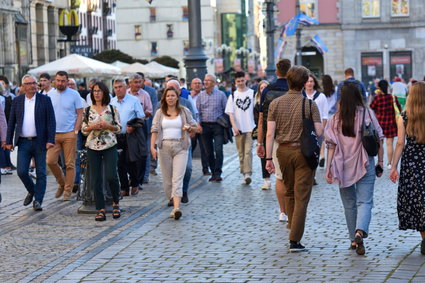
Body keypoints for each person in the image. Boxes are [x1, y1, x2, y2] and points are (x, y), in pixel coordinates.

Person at [265, 66, 323, 252]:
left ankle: (292, 225)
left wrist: (268, 158)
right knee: (302, 197)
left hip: (282, 151)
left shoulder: (275, 104)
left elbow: (269, 134)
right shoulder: (309, 104)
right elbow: (320, 131)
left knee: (289, 191)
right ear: (304, 82)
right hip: (303, 153)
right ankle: (294, 240)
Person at [325, 82, 384, 255]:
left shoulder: (335, 119)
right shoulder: (367, 113)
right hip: (365, 162)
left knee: (349, 204)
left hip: (342, 165)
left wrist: (328, 167)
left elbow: (330, 146)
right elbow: (379, 138)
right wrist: (381, 161)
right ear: (359, 95)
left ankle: (354, 240)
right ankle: (360, 231)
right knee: (365, 201)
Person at [5, 74, 56, 211]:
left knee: (41, 172)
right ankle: (32, 190)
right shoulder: (17, 101)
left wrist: (51, 140)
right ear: (23, 87)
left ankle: (38, 200)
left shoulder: (45, 100)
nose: (33, 85)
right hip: (23, 142)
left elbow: (51, 122)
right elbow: (11, 123)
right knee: (21, 171)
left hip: (40, 141)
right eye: (29, 83)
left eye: (34, 83)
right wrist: (8, 141)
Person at [151, 87, 197, 220]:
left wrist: (189, 128)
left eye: (173, 95)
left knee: (177, 178)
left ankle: (177, 208)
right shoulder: (160, 112)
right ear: (164, 98)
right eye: (168, 96)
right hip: (164, 146)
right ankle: (172, 199)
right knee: (167, 181)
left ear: (177, 97)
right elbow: (154, 129)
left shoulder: (184, 111)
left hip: (181, 146)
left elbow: (196, 127)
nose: (170, 98)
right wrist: (152, 147)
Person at [389, 81, 425, 255]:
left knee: (417, 200)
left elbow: (400, 143)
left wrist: (393, 166)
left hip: (412, 164)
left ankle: (424, 238)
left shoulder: (403, 117)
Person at [81, 81, 122, 221]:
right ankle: (101, 208)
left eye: (99, 90)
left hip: (109, 144)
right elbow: (83, 129)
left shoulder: (112, 108)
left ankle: (116, 203)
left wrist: (107, 126)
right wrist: (92, 126)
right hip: (92, 146)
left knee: (111, 175)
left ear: (104, 92)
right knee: (96, 179)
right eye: (94, 91)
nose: (97, 93)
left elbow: (119, 128)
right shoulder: (87, 110)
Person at [257, 58, 291, 222]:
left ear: (276, 72)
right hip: (294, 138)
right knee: (293, 177)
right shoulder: (296, 89)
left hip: (276, 138)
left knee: (279, 177)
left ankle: (283, 211)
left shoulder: (267, 91)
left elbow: (262, 119)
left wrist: (260, 143)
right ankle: (293, 209)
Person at [46, 71, 83, 201]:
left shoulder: (74, 94)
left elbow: (80, 113)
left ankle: (67, 191)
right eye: (58, 80)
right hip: (53, 134)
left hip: (69, 134)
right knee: (50, 161)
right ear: (54, 81)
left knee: (70, 164)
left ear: (67, 81)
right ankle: (62, 183)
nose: (60, 83)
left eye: (63, 81)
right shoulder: (49, 95)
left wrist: (76, 131)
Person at [110, 79, 145, 197]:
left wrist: (133, 127)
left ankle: (134, 183)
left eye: (120, 87)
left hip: (130, 136)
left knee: (131, 162)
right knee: (119, 163)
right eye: (116, 87)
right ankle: (124, 187)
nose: (118, 89)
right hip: (116, 136)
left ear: (126, 87)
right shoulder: (111, 102)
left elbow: (141, 118)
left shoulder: (134, 100)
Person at [225, 72, 256, 184]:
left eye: (242, 80)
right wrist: (234, 126)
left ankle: (247, 173)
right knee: (241, 153)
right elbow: (231, 113)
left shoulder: (252, 93)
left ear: (245, 80)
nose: (241, 83)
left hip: (250, 127)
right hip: (238, 128)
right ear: (235, 82)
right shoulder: (233, 95)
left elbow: (256, 111)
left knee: (248, 151)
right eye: (238, 81)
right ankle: (244, 174)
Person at [196, 74, 227, 182]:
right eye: (205, 80)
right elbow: (197, 112)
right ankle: (213, 173)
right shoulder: (200, 96)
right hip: (205, 126)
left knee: (218, 150)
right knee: (208, 151)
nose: (205, 82)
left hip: (217, 126)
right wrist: (198, 124)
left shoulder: (221, 95)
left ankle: (218, 172)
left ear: (214, 83)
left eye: (208, 80)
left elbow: (225, 110)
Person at [370, 80, 402, 169]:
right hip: (391, 124)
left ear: (379, 88)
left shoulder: (377, 98)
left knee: (380, 143)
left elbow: (371, 108)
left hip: (380, 124)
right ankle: (389, 163)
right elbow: (399, 109)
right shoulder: (393, 97)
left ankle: (380, 162)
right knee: (390, 144)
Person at [303, 73, 328, 184]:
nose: (309, 83)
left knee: (315, 153)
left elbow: (325, 115)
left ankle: (312, 175)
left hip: (318, 129)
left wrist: (322, 129)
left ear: (314, 83)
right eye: (307, 81)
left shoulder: (321, 96)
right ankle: (306, 175)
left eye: (311, 81)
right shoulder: (301, 96)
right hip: (305, 130)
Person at [190, 78, 210, 176]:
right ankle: (187, 166)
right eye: (195, 83)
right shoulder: (188, 96)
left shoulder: (204, 95)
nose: (197, 85)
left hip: (202, 125)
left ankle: (205, 169)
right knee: (190, 147)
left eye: (199, 83)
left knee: (204, 148)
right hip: (192, 126)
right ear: (191, 85)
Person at [253, 80, 270, 189]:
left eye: (265, 87)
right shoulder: (257, 104)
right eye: (261, 88)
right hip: (263, 132)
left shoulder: (274, 100)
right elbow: (256, 120)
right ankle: (267, 180)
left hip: (274, 132)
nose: (263, 89)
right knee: (263, 156)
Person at [320, 74, 337, 167]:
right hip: (332, 116)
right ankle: (332, 157)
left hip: (323, 116)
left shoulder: (321, 93)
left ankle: (322, 155)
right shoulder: (334, 90)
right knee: (332, 138)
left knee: (322, 137)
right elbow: (335, 103)